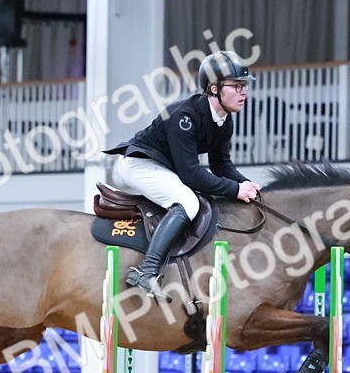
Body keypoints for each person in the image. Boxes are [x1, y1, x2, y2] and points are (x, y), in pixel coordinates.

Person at [105, 50, 261, 302]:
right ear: (214, 88)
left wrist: (244, 183)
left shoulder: (224, 120)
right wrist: (234, 190)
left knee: (199, 197)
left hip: (162, 167)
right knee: (188, 201)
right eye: (237, 86)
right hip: (137, 165)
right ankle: (147, 271)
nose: (244, 92)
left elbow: (221, 165)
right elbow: (191, 175)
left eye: (245, 86)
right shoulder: (184, 117)